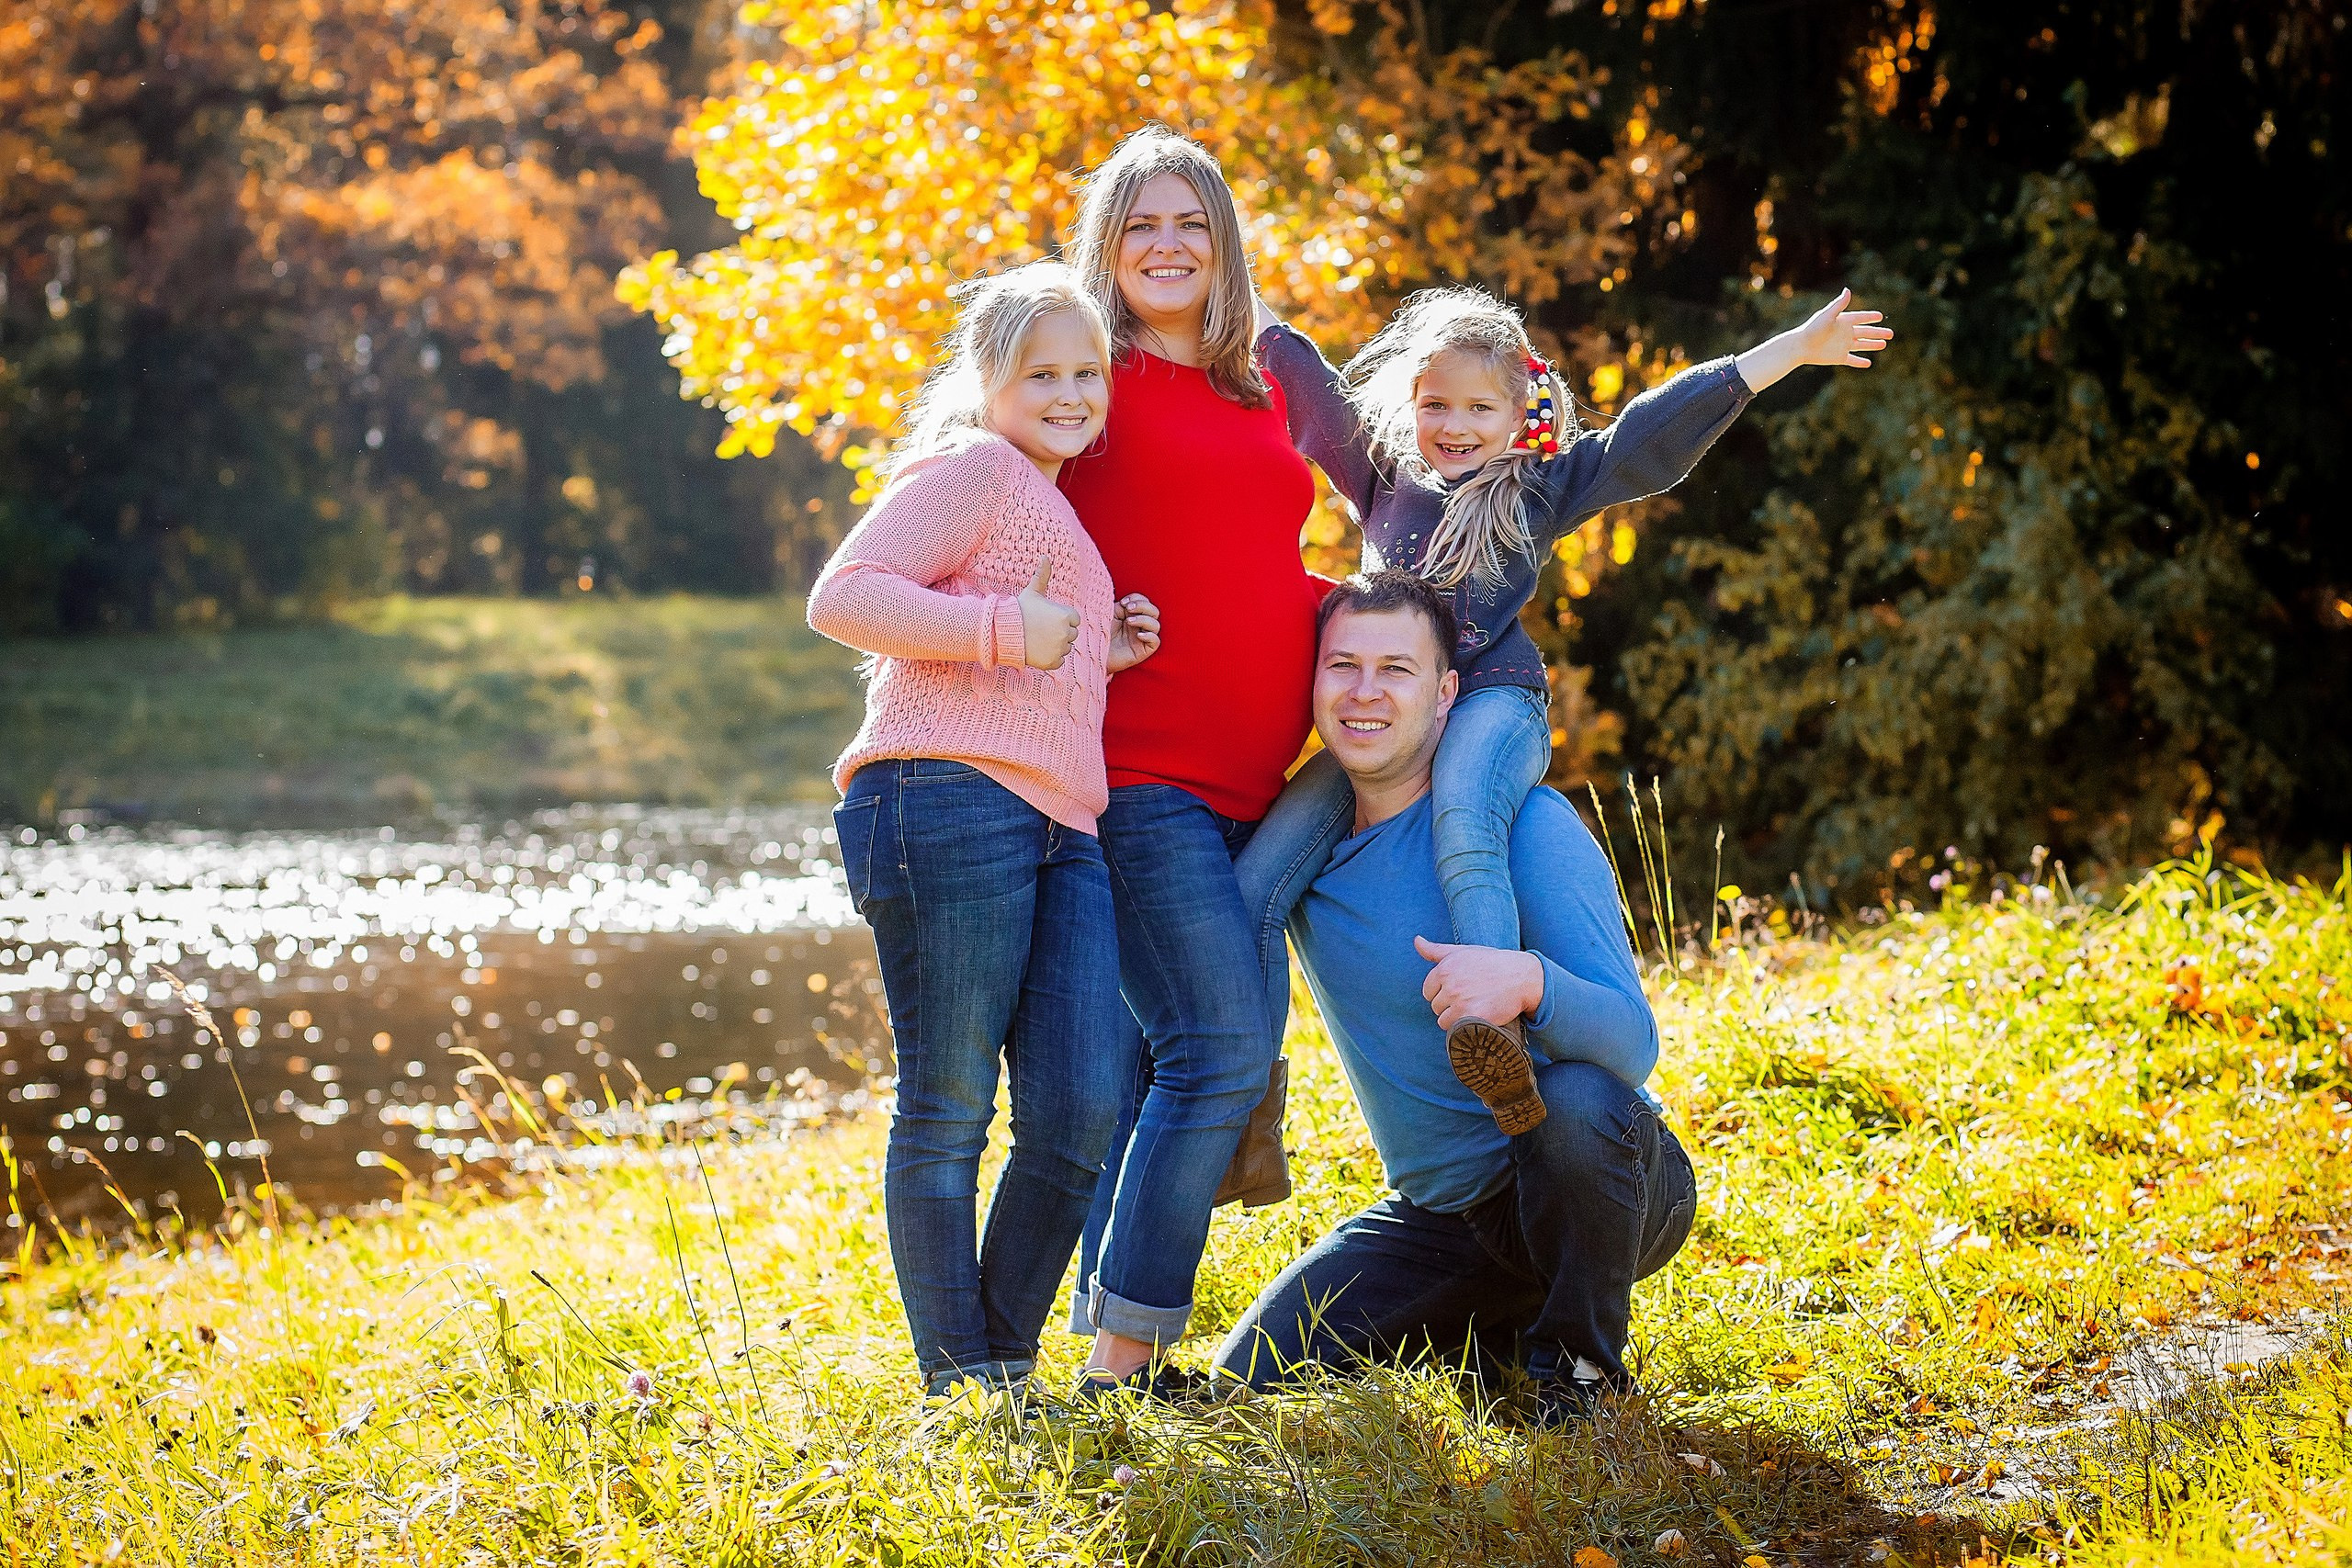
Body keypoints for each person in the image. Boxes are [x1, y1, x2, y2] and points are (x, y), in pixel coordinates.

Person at [1239, 285, 1892, 1136]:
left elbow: (1646, 437)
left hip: (1491, 701)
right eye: (1436, 405)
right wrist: (1235, 288)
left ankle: (1495, 1035)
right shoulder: (1382, 475)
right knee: (1254, 881)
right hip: (1394, 713)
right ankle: (1242, 1103)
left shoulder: (1535, 494)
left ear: (1519, 415)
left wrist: (1787, 353)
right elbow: (1310, 385)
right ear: (1410, 403)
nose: (1456, 425)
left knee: (1466, 812)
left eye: (1480, 407)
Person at [1214, 570, 1694, 1426]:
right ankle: (1495, 1333)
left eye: (1396, 669)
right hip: (1442, 1215)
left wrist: (1528, 981)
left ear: (1444, 695)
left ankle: (1580, 1371)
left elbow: (1633, 1046)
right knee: (1247, 1376)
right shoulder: (1302, 861)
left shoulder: (1527, 826)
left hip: (1610, 1183)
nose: (1365, 692)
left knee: (1575, 1102)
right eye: (1343, 666)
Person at [805, 261, 1164, 1398]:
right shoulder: (976, 467)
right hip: (944, 798)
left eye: (1086, 373)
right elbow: (843, 596)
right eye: (1040, 373)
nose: (1069, 393)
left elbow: (1020, 652)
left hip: (1062, 823)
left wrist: (1100, 649)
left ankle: (996, 1366)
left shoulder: (1052, 503)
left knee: (1079, 1111)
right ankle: (967, 1389)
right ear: (988, 379)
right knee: (949, 1105)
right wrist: (1012, 629)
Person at [1054, 125, 1330, 1393]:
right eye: (1140, 225)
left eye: (1191, 224)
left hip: (1259, 783)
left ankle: (1098, 1350)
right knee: (1220, 1046)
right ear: (1106, 246)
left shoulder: (1263, 380)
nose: (1167, 247)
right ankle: (1125, 1362)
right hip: (1139, 771)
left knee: (1150, 1067)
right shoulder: (1084, 380)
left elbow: (1256, 558)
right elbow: (999, 504)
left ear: (1223, 243)